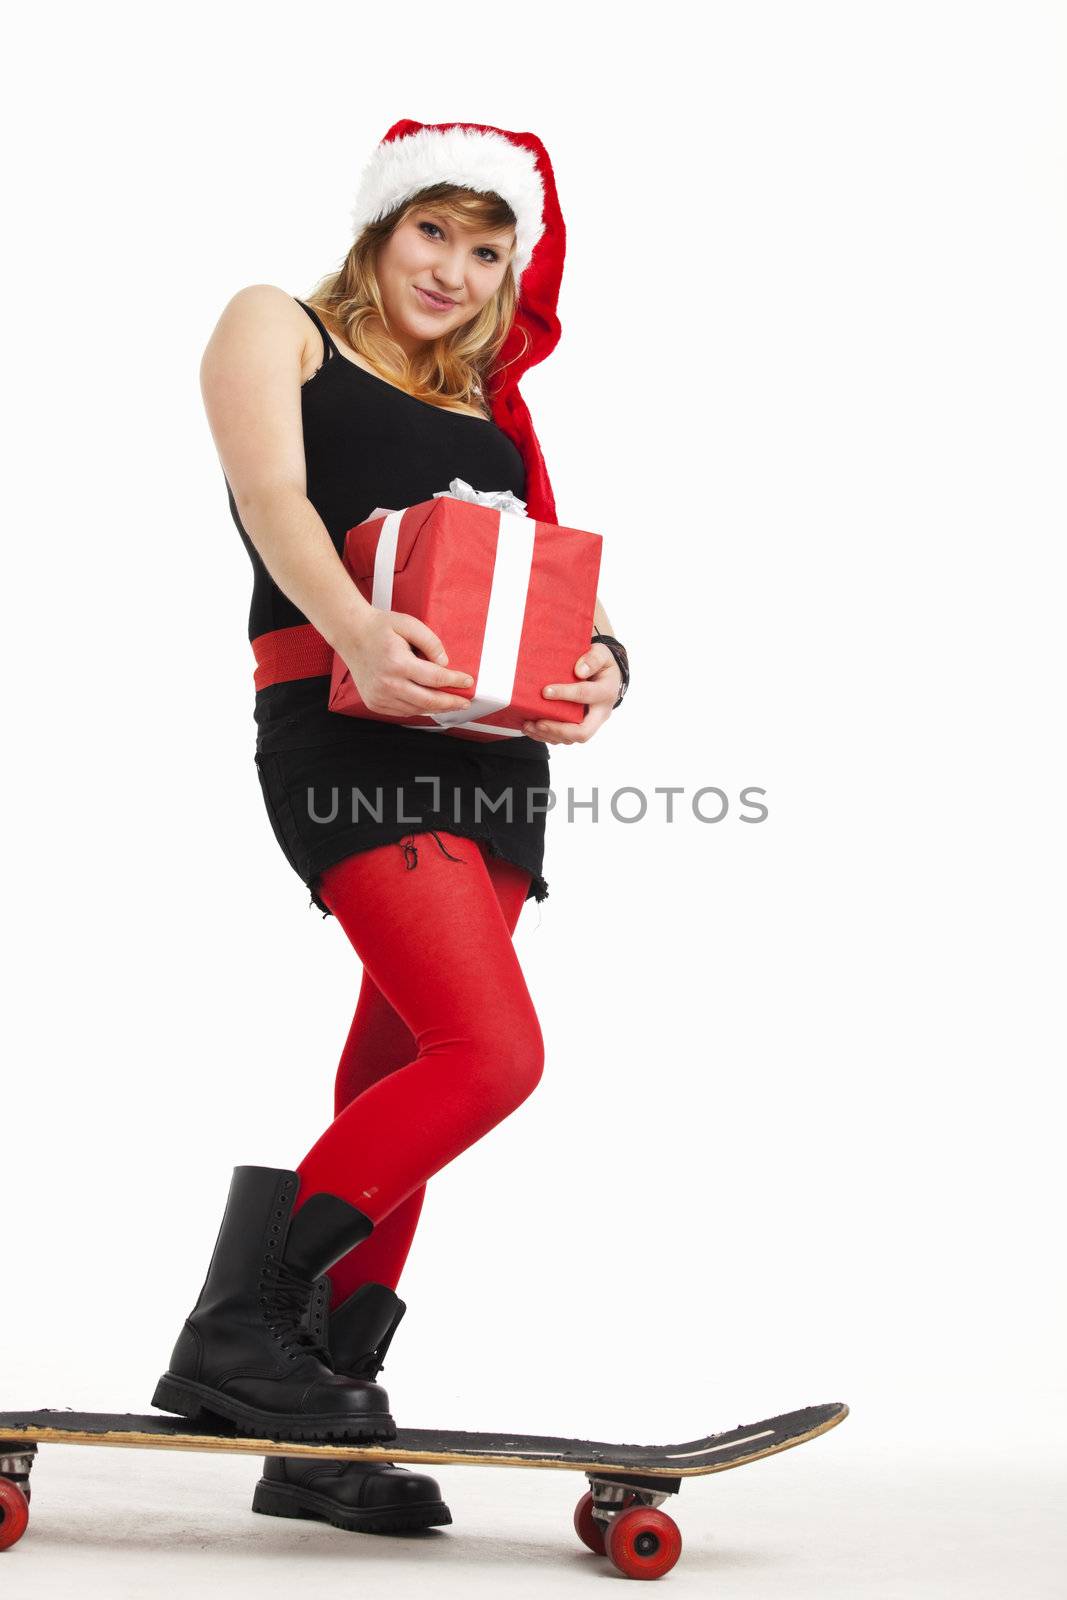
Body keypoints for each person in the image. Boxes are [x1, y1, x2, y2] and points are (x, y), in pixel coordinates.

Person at [151, 120, 631, 1537]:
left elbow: (559, 578)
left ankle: (314, 1413)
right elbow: (271, 498)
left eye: (491, 252)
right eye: (435, 232)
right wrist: (358, 627)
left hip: (488, 768)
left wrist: (611, 665)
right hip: (345, 736)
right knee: (494, 1054)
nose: (458, 270)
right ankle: (243, 1331)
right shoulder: (278, 329)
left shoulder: (494, 414)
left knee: (405, 1074)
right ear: (381, 225)